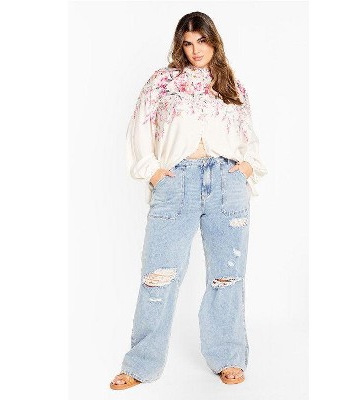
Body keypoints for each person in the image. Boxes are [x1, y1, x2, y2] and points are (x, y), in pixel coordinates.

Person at [110, 11, 268, 390]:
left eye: (202, 40)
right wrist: (152, 170)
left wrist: (248, 167)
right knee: (158, 276)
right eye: (188, 43)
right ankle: (141, 363)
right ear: (180, 45)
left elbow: (248, 135)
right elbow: (138, 129)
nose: (196, 50)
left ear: (214, 41)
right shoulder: (162, 82)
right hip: (176, 181)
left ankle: (228, 356)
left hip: (227, 181)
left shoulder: (232, 86)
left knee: (227, 277)